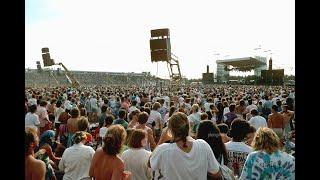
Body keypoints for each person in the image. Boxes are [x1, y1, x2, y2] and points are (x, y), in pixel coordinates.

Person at [149, 112, 221, 180]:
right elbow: (216, 173)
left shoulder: (163, 149)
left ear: (170, 129)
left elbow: (150, 163)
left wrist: (162, 139)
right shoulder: (203, 145)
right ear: (188, 126)